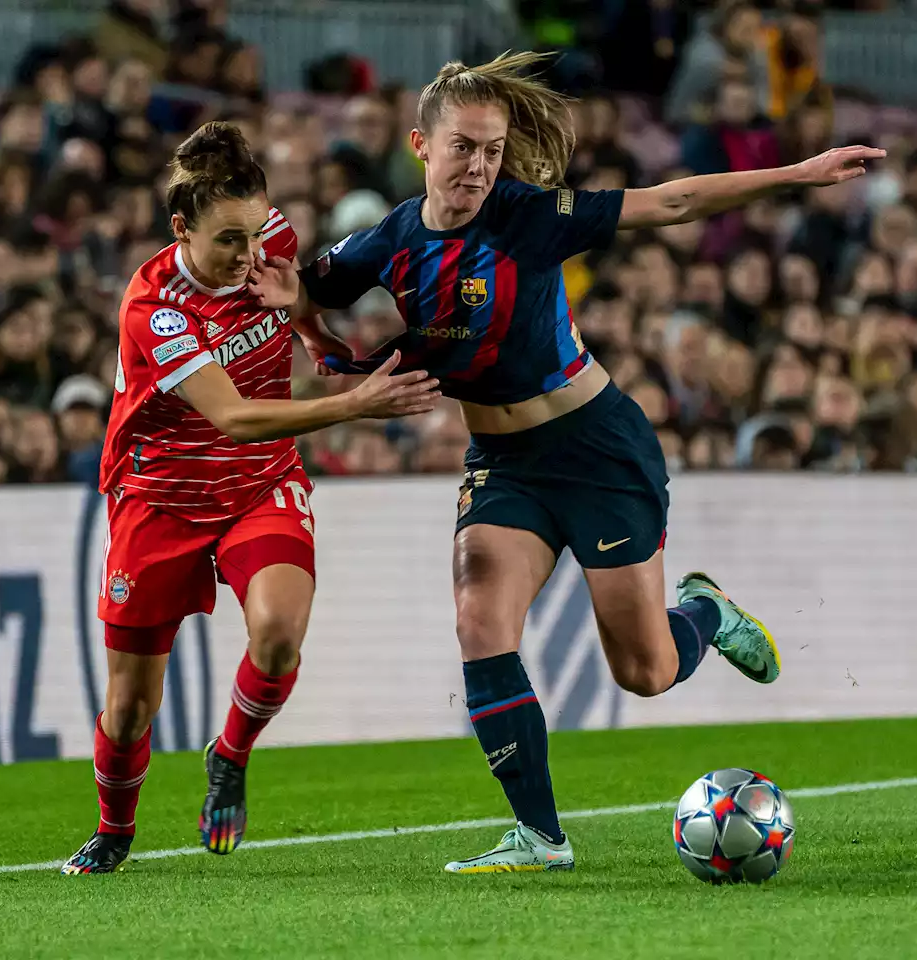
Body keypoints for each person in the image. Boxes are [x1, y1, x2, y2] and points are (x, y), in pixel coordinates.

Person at [252, 52, 883, 873]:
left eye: (491, 148)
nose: (479, 165)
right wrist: (296, 311)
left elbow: (675, 200)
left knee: (647, 672)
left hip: (596, 449)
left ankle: (705, 612)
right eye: (463, 148)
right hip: (504, 462)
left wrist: (798, 174)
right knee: (480, 620)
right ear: (421, 145)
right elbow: (311, 288)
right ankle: (542, 837)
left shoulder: (529, 215)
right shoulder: (389, 241)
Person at [61, 122, 440, 875]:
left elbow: (290, 295)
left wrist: (315, 333)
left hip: (259, 481)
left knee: (276, 637)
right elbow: (232, 413)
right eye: (226, 241)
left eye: (254, 233)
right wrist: (354, 402)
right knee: (131, 707)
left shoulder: (270, 239)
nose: (246, 255)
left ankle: (229, 757)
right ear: (181, 229)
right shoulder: (153, 309)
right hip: (159, 497)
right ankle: (114, 828)